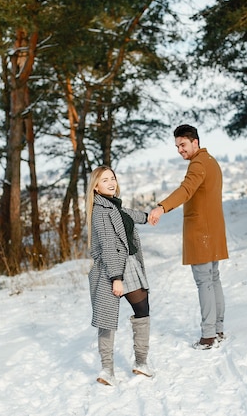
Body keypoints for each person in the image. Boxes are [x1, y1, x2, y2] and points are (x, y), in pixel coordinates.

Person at [148, 124, 228, 350]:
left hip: (201, 232)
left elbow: (186, 189)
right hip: (213, 230)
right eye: (177, 146)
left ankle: (208, 336)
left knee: (205, 282)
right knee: (213, 279)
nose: (180, 150)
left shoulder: (198, 164)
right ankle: (218, 329)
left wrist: (161, 207)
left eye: (183, 145)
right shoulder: (211, 161)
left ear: (195, 142)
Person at [85, 165, 154, 386]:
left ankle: (141, 363)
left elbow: (131, 215)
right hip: (111, 269)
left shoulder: (115, 206)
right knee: (107, 320)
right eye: (105, 180)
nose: (111, 182)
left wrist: (150, 216)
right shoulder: (100, 211)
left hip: (128, 266)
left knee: (142, 311)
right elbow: (107, 245)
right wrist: (116, 277)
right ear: (95, 187)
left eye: (112, 178)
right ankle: (107, 371)